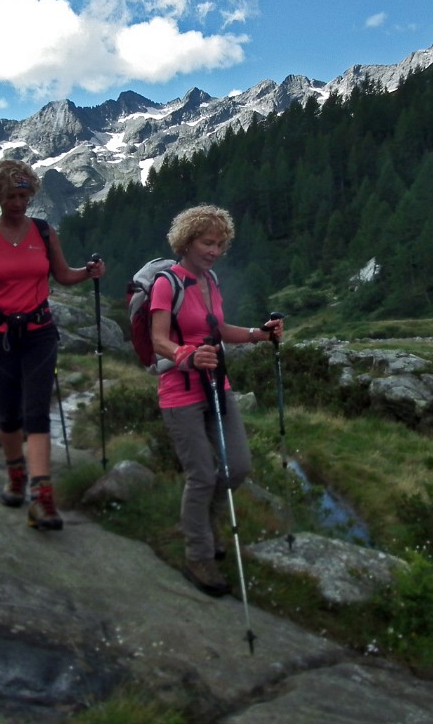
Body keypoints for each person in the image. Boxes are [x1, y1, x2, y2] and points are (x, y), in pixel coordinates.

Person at [0, 160, 105, 530]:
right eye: (11, 196)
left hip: (39, 331)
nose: (19, 203)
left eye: (24, 195)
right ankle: (15, 473)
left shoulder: (45, 232)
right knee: (7, 412)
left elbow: (62, 276)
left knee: (35, 412)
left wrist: (88, 272)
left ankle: (42, 497)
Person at [150, 204, 283, 595]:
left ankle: (200, 527)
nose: (215, 250)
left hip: (217, 387)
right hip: (180, 391)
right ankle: (198, 555)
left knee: (238, 466)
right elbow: (159, 339)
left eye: (221, 244)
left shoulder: (212, 281)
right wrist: (185, 356)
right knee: (202, 475)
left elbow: (219, 328)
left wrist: (260, 334)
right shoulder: (167, 283)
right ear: (187, 241)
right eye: (208, 243)